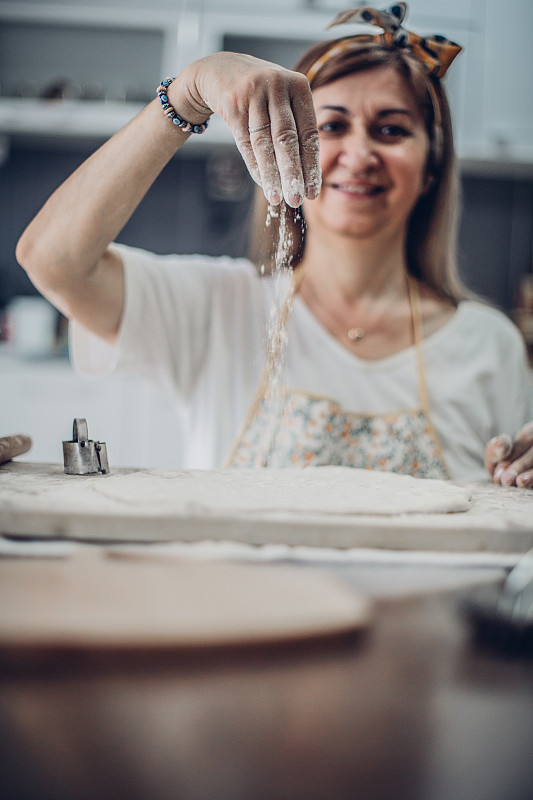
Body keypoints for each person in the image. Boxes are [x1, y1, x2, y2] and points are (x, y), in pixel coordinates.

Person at [16, 4, 533, 486]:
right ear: (281, 141)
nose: (358, 154)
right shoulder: (218, 306)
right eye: (331, 125)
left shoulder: (489, 344)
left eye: (391, 130)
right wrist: (185, 94)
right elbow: (53, 260)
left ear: (431, 168)